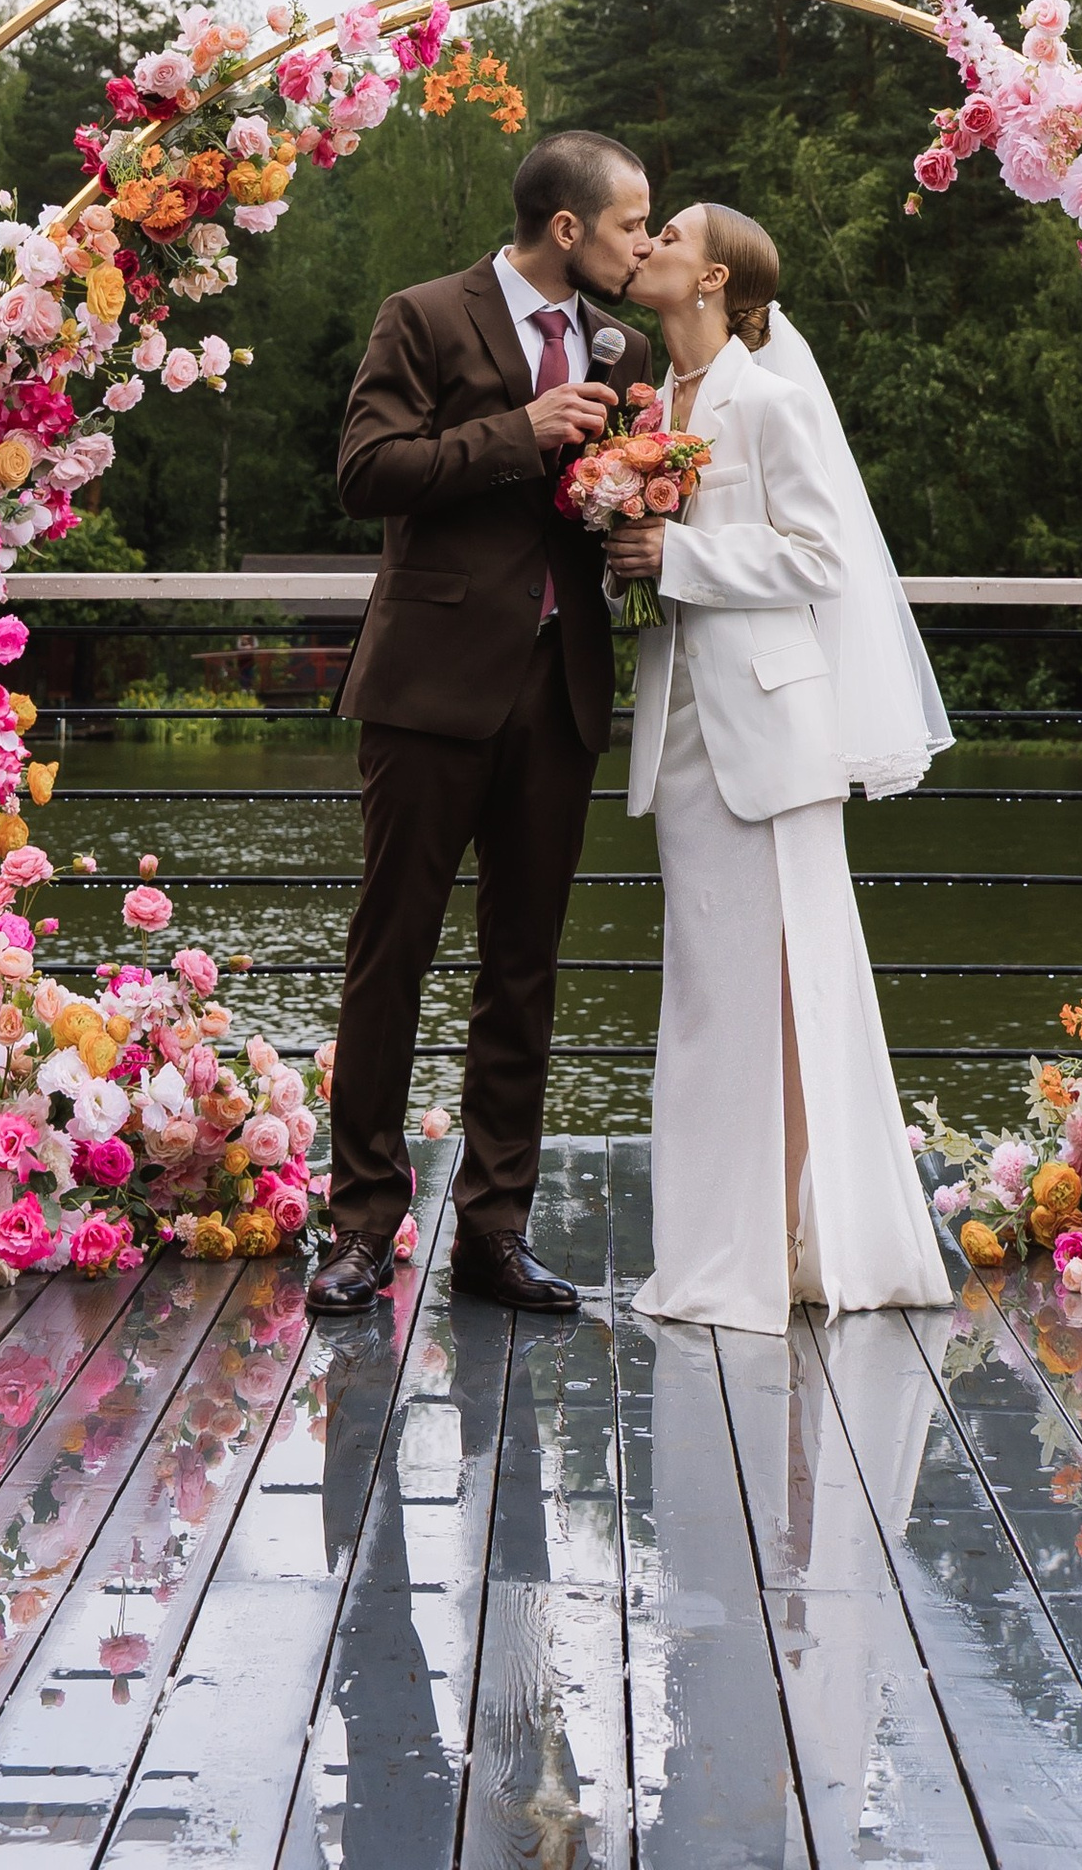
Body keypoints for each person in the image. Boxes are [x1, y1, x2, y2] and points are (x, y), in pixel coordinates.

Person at [311, 129, 656, 1315]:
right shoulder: (421, 316)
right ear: (566, 228)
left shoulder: (627, 345)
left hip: (559, 690)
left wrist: (641, 514)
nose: (642, 246)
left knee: (524, 969)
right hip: (427, 691)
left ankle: (493, 1234)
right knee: (390, 954)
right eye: (629, 225)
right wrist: (523, 434)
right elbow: (365, 471)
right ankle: (362, 1224)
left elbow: (610, 502)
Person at [607, 202, 953, 1330]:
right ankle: (734, 1250)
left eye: (668, 238)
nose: (646, 245)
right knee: (716, 1000)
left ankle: (775, 1254)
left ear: (711, 278)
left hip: (770, 732)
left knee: (786, 993)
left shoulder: (772, 397)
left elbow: (818, 558)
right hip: (689, 731)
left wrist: (679, 550)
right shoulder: (657, 408)